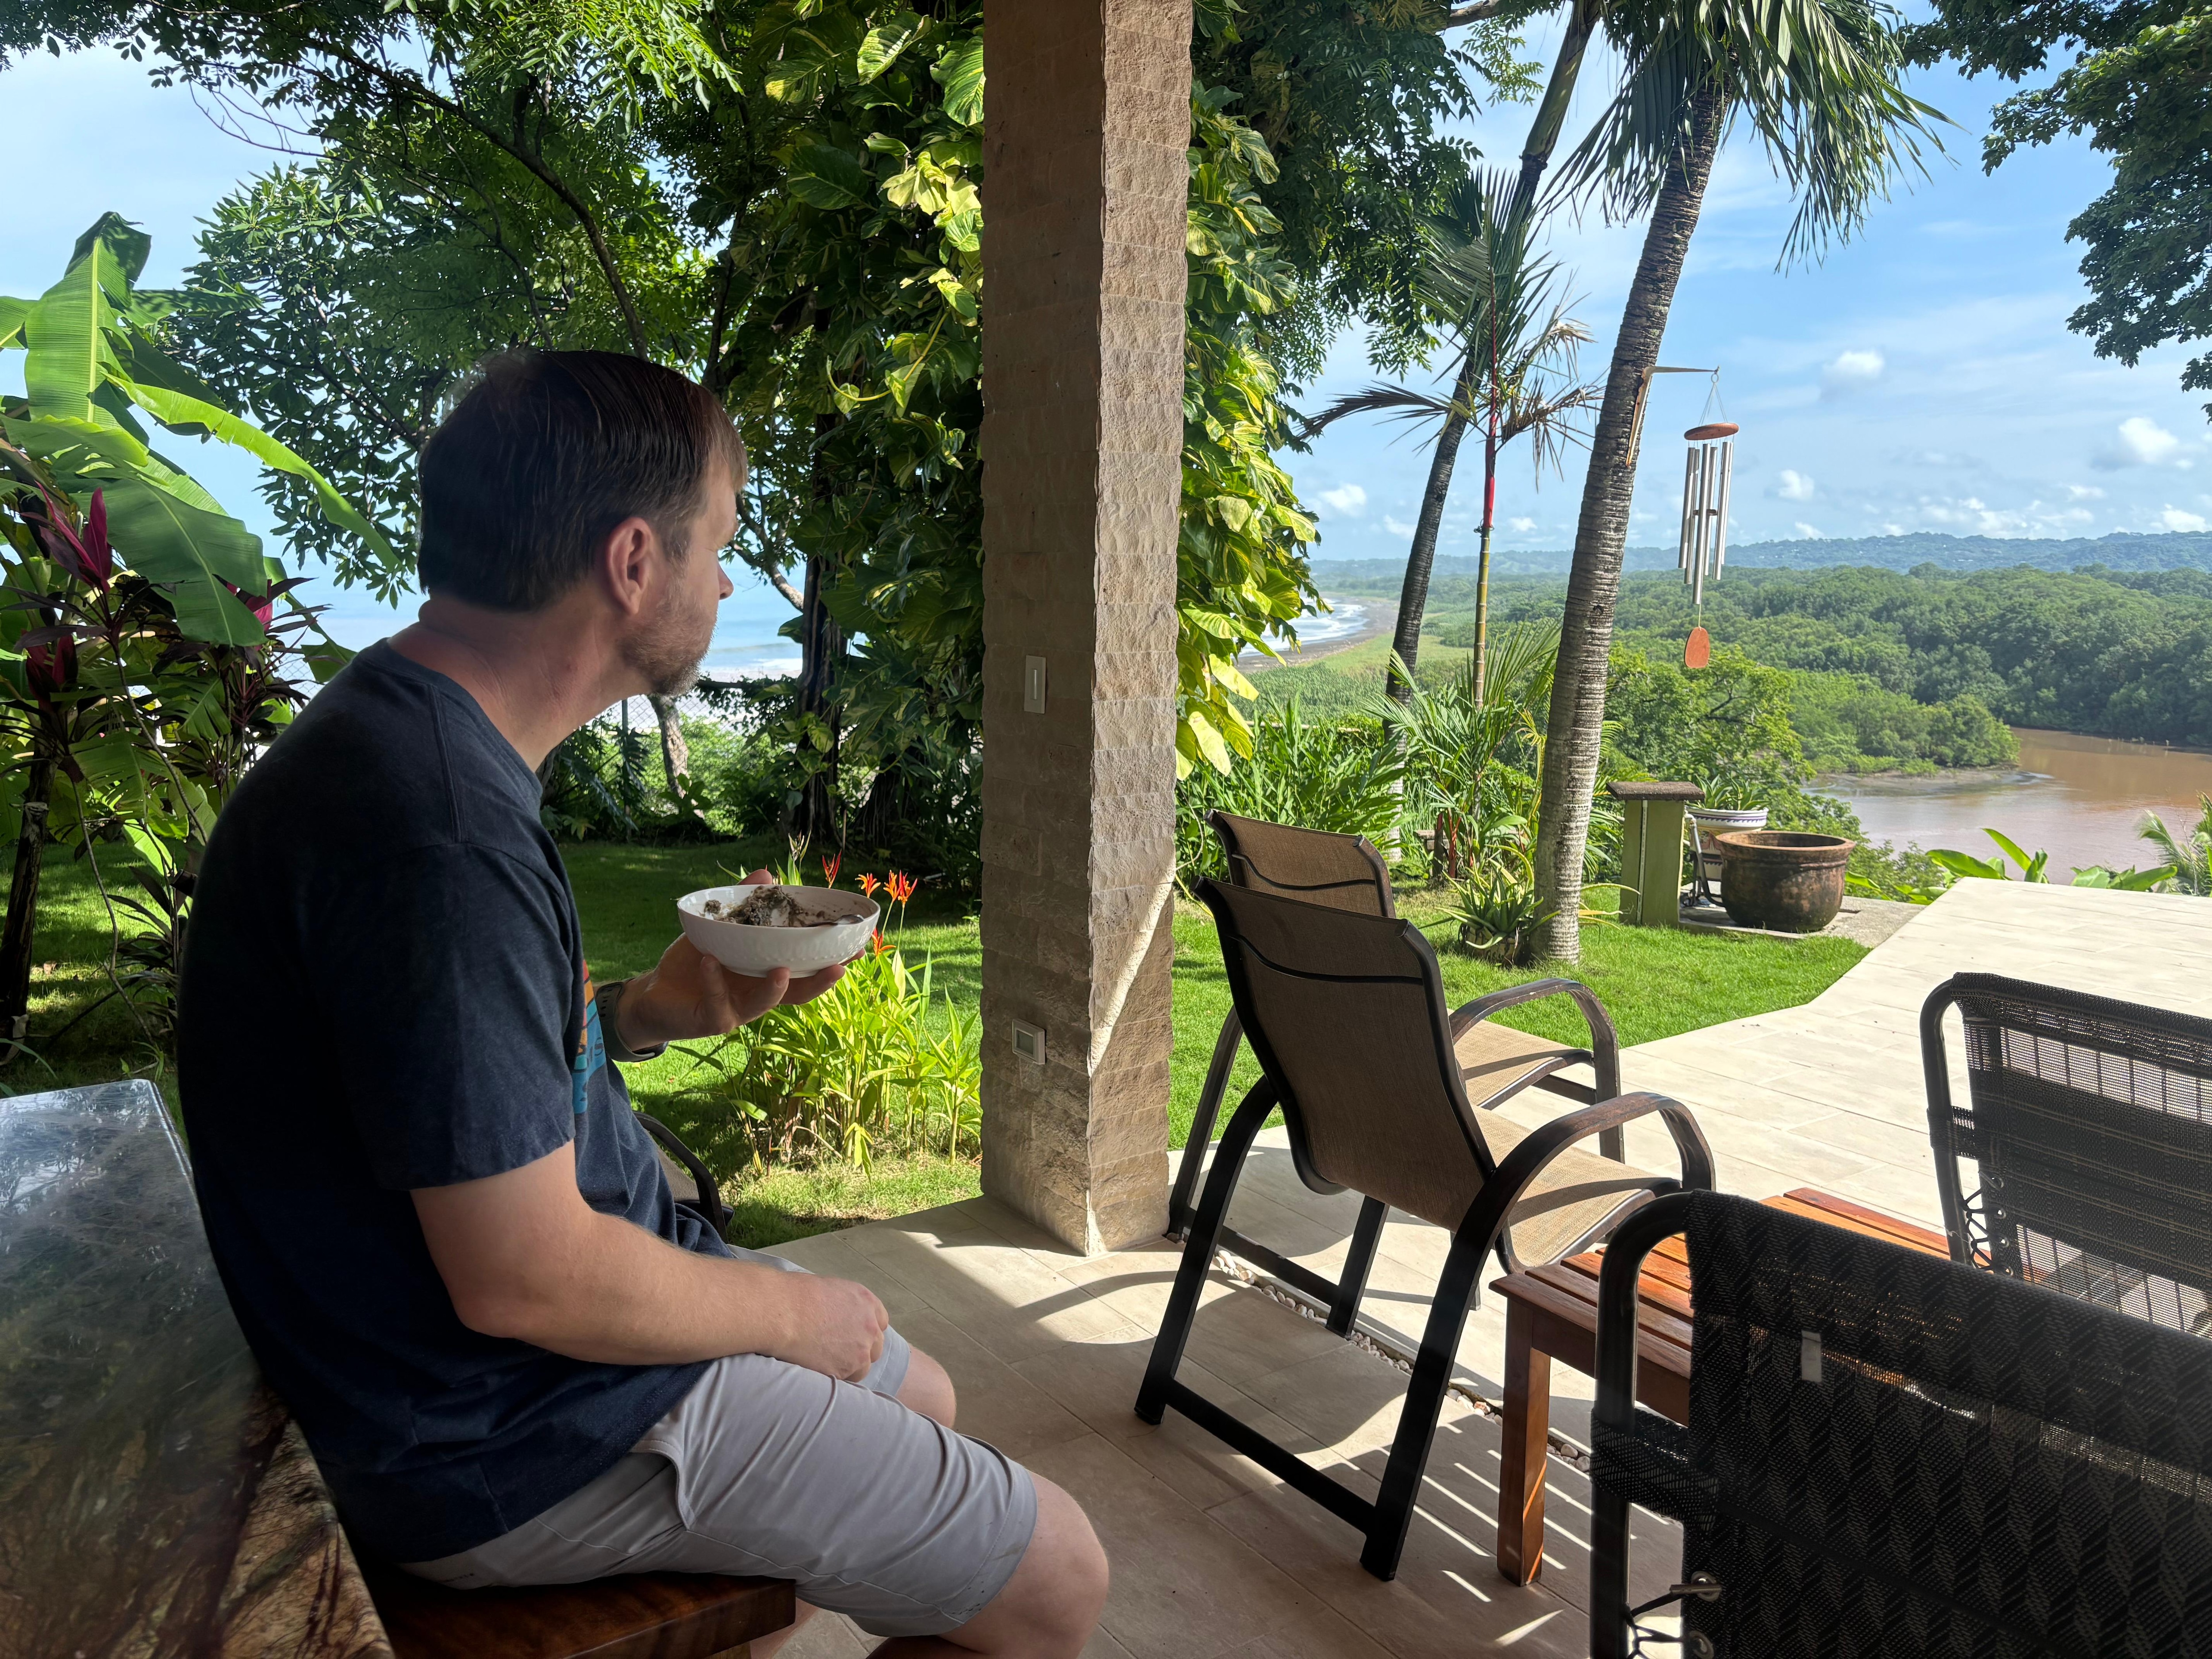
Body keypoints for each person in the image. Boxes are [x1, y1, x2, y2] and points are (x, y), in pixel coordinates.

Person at [177, 350, 1108, 1656]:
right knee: (1059, 1572)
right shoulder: (440, 837)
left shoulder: (412, 734)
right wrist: (800, 1312)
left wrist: (643, 1016)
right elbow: (527, 1278)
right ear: (632, 563)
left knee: (929, 1393)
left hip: (454, 1366)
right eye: (718, 545)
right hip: (490, 1428)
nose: (727, 581)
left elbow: (430, 1079)